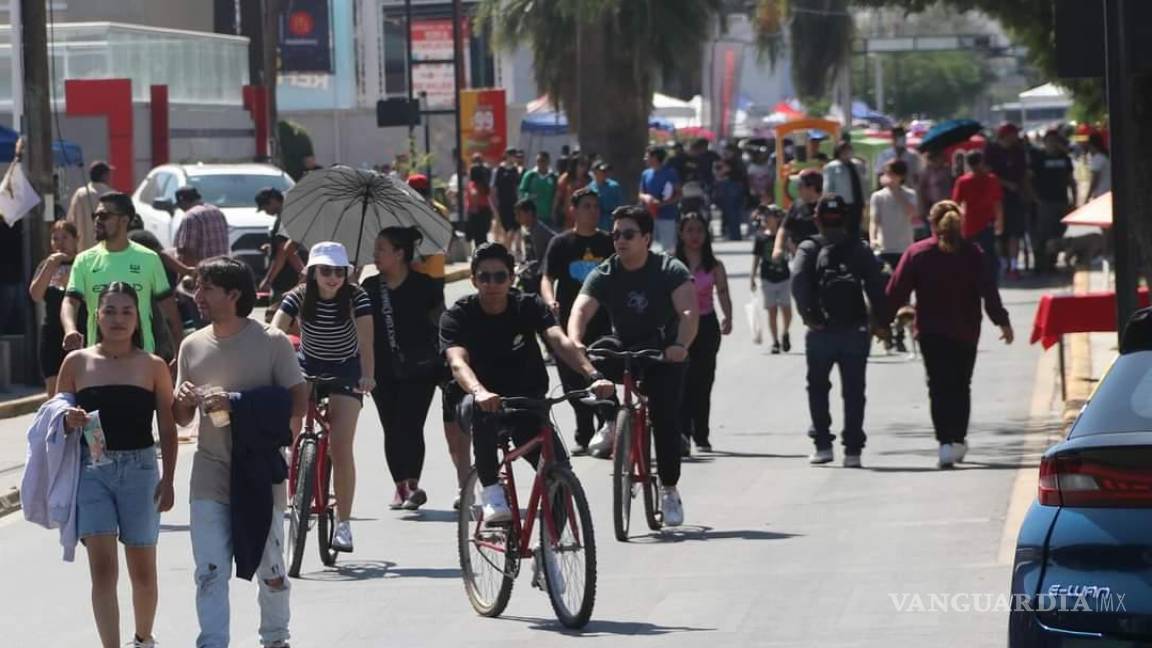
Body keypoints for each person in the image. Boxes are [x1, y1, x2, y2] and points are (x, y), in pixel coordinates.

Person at [174, 257, 306, 648]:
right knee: (210, 570)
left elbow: (297, 402)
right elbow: (181, 419)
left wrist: (238, 402)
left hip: (260, 471)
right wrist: (182, 399)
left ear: (233, 294)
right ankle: (212, 642)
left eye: (206, 288)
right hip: (209, 471)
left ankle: (275, 637)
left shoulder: (272, 342)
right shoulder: (191, 345)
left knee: (272, 568)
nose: (197, 296)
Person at [440, 243, 613, 522]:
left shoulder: (528, 305)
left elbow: (559, 340)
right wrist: (480, 391)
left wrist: (592, 374)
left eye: (500, 277)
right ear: (473, 280)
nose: (492, 284)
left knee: (558, 471)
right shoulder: (458, 315)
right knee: (481, 411)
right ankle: (492, 491)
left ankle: (549, 548)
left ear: (511, 278)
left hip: (527, 400)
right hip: (479, 399)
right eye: (484, 277)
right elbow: (457, 361)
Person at [55, 282, 177, 648]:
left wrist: (168, 479)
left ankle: (142, 638)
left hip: (140, 471)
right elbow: (51, 418)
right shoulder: (76, 363)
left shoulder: (153, 366)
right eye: (109, 311)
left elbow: (168, 428)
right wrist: (67, 420)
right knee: (103, 571)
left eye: (126, 311)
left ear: (138, 318)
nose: (118, 319)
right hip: (91, 471)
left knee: (142, 571)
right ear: (96, 316)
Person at [568, 205, 698, 526]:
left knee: (665, 419)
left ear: (646, 238)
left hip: (661, 351)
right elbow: (580, 311)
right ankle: (612, 419)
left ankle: (668, 488)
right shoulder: (606, 271)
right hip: (624, 348)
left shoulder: (669, 268)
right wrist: (576, 339)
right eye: (615, 235)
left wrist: (680, 345)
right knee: (595, 357)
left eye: (628, 234)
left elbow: (688, 312)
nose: (620, 241)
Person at [886, 200, 1014, 468]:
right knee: (960, 386)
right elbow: (989, 292)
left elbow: (896, 291)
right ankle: (957, 439)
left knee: (938, 387)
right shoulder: (974, 254)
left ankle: (945, 443)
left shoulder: (917, 253)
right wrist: (1002, 323)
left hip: (931, 332)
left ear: (932, 224)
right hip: (965, 331)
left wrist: (881, 322)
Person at [271, 241, 374, 551]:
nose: (333, 278)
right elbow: (275, 332)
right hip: (307, 365)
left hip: (346, 370)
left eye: (339, 272)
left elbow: (367, 344)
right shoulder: (297, 296)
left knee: (341, 447)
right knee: (291, 411)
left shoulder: (358, 298)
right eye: (325, 271)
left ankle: (343, 523)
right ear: (312, 272)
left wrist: (368, 376)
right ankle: (290, 451)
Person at [791, 195, 888, 468]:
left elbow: (798, 282)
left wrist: (810, 316)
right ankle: (853, 451)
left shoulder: (808, 248)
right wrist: (881, 322)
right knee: (854, 390)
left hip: (821, 331)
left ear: (817, 219)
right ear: (846, 218)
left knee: (818, 387)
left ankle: (823, 445)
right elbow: (876, 286)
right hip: (855, 329)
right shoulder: (859, 249)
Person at [362, 228, 443, 510]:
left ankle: (412, 485)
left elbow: (441, 325)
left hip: (421, 370)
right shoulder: (368, 287)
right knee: (391, 427)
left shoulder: (427, 285)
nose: (375, 254)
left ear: (400, 253)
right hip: (380, 370)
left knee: (411, 424)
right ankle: (401, 486)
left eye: (381, 249)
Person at [541, 188, 615, 453]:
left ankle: (605, 428)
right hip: (568, 327)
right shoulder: (561, 244)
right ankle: (583, 429)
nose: (593, 211)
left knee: (599, 376)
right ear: (574, 210)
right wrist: (550, 301)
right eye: (587, 206)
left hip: (601, 324)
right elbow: (547, 277)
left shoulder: (608, 243)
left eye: (596, 206)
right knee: (572, 381)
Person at [63, 192, 183, 356]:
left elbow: (170, 311)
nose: (97, 220)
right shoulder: (84, 260)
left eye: (104, 215)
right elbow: (70, 302)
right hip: (98, 360)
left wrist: (178, 352)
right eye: (95, 215)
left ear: (124, 220)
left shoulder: (149, 259)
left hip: (142, 361)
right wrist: (70, 330)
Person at [675, 212, 732, 453]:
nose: (695, 235)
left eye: (699, 230)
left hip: (707, 325)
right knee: (682, 381)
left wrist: (728, 316)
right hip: (681, 325)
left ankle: (702, 434)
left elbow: (722, 292)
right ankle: (682, 432)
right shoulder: (672, 264)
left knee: (703, 381)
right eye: (690, 230)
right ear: (681, 233)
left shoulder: (715, 265)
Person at [29, 221, 81, 395]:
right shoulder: (46, 264)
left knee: (78, 386)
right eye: (55, 238)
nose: (60, 242)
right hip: (51, 332)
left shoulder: (83, 263)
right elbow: (35, 295)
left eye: (65, 237)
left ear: (76, 239)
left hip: (78, 330)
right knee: (53, 390)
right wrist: (50, 266)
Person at [984, 123, 1030, 280]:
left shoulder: (1018, 151)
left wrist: (1027, 193)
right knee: (999, 234)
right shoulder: (991, 150)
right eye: (1013, 134)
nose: (1016, 137)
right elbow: (987, 172)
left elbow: (1023, 174)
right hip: (996, 197)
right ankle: (1003, 264)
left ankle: (1014, 265)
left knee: (1015, 233)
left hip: (1015, 198)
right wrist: (1005, 183)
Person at [952, 150, 1004, 283]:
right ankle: (988, 281)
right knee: (988, 255)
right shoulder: (992, 179)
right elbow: (997, 202)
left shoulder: (962, 181)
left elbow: (956, 203)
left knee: (970, 254)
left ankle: (972, 279)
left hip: (969, 223)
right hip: (986, 223)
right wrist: (1000, 221)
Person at [1030, 130, 1077, 273]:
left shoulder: (1065, 158)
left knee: (1058, 233)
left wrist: (1074, 199)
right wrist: (1035, 198)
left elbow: (1070, 179)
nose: (1052, 143)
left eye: (1055, 140)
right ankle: (1040, 263)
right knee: (1043, 233)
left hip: (1061, 200)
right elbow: (1029, 179)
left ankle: (1052, 262)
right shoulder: (1039, 158)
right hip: (1045, 201)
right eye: (1049, 140)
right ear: (1044, 142)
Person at [256, 188, 305, 317]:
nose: (266, 212)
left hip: (285, 280)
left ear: (273, 201)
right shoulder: (294, 215)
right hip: (293, 277)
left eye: (265, 207)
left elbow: (283, 253)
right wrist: (271, 247)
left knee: (278, 316)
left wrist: (268, 280)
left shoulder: (284, 219)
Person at [751, 204, 793, 354]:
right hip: (767, 278)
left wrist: (787, 243)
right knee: (772, 311)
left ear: (777, 218)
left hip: (784, 277)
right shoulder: (761, 237)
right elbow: (756, 258)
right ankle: (775, 341)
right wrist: (752, 277)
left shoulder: (784, 236)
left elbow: (794, 252)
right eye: (765, 216)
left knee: (787, 310)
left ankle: (785, 333)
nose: (766, 218)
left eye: (769, 215)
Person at [869, 159, 919, 272]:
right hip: (884, 248)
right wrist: (873, 239)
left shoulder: (910, 194)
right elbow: (874, 220)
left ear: (900, 176)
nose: (888, 176)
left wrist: (896, 192)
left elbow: (912, 212)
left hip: (904, 247)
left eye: (891, 174)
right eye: (886, 173)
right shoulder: (878, 196)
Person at [772, 168, 822, 263]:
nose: (797, 189)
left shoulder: (825, 205)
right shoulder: (796, 205)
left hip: (822, 257)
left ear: (811, 188)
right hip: (800, 257)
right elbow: (784, 228)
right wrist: (777, 248)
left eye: (800, 186)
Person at [173, 186, 230, 268]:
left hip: (203, 272)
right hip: (222, 267)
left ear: (183, 202)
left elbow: (187, 251)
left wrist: (186, 274)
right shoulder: (217, 211)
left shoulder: (191, 216)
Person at [639, 147, 682, 253]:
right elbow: (640, 193)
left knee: (668, 249)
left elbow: (678, 194)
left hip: (667, 216)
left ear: (655, 157)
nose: (645, 159)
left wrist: (662, 204)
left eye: (647, 156)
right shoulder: (645, 174)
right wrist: (646, 197)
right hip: (649, 216)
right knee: (648, 246)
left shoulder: (670, 173)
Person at [66, 160, 114, 251]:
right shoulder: (112, 195)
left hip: (83, 250)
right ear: (104, 176)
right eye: (108, 174)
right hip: (107, 251)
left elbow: (70, 223)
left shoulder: (80, 194)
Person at [822, 142, 868, 237]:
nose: (847, 153)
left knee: (857, 228)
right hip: (842, 204)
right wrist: (830, 204)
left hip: (857, 202)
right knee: (843, 229)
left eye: (849, 150)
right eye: (844, 151)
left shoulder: (857, 164)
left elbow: (864, 182)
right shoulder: (832, 167)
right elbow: (828, 188)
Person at [916, 149, 954, 240]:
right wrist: (921, 209)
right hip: (931, 207)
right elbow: (921, 191)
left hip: (947, 207)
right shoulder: (926, 173)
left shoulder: (948, 171)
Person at [492, 148, 524, 248]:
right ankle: (507, 249)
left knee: (516, 227)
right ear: (507, 156)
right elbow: (494, 188)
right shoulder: (499, 170)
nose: (514, 158)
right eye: (513, 155)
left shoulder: (516, 170)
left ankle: (516, 249)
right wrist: (495, 204)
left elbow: (519, 187)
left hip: (514, 203)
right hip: (503, 203)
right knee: (506, 228)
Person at [519, 151, 558, 229]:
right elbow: (521, 192)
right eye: (538, 161)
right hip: (531, 216)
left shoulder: (553, 177)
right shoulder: (530, 175)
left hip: (547, 216)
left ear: (548, 162)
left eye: (543, 161)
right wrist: (529, 196)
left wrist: (554, 211)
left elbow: (556, 195)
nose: (540, 163)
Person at [713, 159, 746, 241]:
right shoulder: (721, 174)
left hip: (732, 191)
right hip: (727, 193)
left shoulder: (735, 170)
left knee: (734, 215)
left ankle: (735, 235)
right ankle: (733, 235)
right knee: (730, 215)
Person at [555, 154, 591, 229]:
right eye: (581, 165)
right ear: (575, 166)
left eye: (585, 165)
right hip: (567, 220)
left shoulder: (589, 180)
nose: (584, 168)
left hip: (584, 218)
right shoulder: (566, 178)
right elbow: (558, 198)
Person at [464, 161, 494, 249]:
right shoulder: (484, 184)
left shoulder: (473, 184)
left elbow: (474, 194)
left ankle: (480, 255)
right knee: (483, 236)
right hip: (485, 211)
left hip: (477, 212)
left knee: (477, 238)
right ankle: (484, 254)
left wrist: (474, 204)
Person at [588, 162, 624, 231]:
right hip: (597, 222)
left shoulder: (614, 186)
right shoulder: (590, 188)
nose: (604, 173)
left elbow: (620, 205)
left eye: (605, 171)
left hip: (611, 221)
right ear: (595, 172)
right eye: (602, 171)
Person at [1086, 132, 1111, 200]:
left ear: (1091, 145)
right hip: (1107, 192)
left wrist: (1087, 197)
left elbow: (1094, 180)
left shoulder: (1097, 158)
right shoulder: (1105, 157)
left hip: (1101, 195)